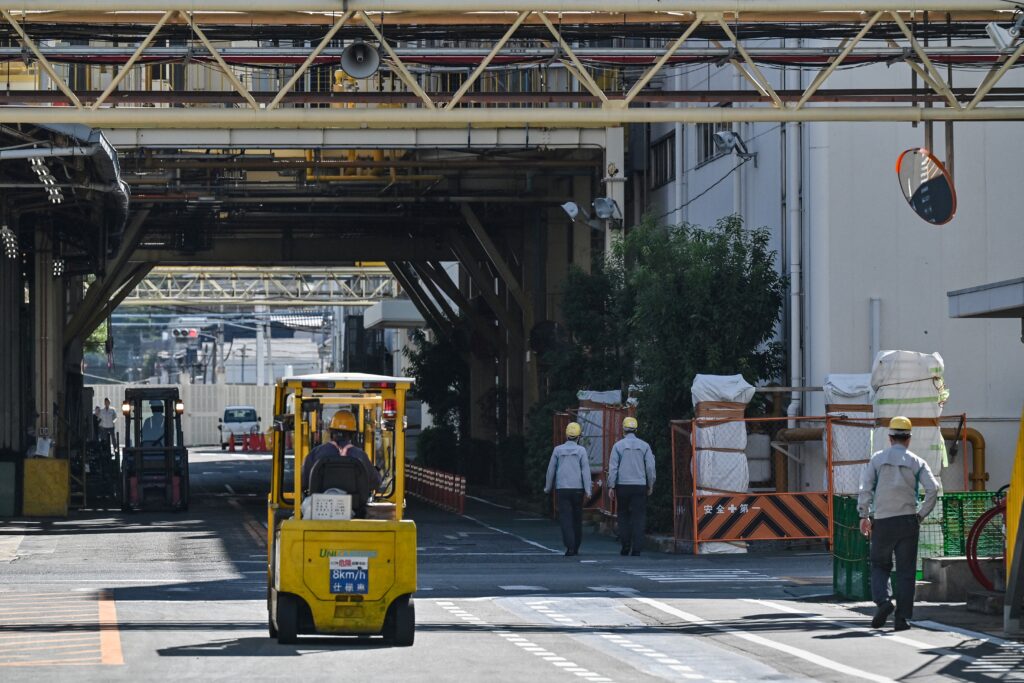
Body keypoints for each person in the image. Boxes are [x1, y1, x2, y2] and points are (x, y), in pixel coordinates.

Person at [858, 415, 939, 632]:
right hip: (907, 521)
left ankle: (883, 602)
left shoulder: (877, 459)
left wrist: (863, 515)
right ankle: (902, 619)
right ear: (908, 439)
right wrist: (920, 514)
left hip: (883, 521)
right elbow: (933, 489)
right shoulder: (917, 462)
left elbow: (865, 487)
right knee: (906, 572)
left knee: (879, 565)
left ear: (890, 437)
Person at [301, 410, 381, 498]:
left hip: (320, 507)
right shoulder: (360, 456)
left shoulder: (316, 453)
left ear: (331, 431)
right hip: (355, 507)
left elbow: (303, 481)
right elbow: (374, 483)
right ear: (353, 434)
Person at [608, 416, 656, 556]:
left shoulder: (618, 446)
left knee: (623, 515)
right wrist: (650, 484)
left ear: (623, 429)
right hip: (640, 485)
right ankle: (637, 549)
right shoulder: (645, 446)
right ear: (636, 429)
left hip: (622, 486)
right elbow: (650, 468)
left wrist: (611, 485)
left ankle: (625, 546)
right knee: (638, 516)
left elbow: (613, 468)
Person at [544, 422, 593, 557]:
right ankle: (576, 545)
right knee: (577, 517)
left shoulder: (558, 450)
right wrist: (588, 490)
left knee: (566, 518)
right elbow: (585, 471)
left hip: (562, 488)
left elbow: (551, 470)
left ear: (566, 435)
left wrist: (548, 487)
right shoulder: (581, 450)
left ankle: (569, 546)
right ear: (578, 437)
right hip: (578, 489)